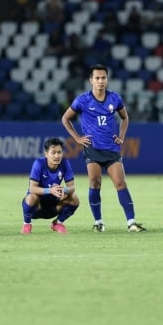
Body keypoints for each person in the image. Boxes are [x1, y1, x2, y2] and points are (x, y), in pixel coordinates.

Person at [61, 64, 146, 232]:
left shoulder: (115, 98)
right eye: (97, 78)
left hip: (112, 149)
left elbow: (125, 117)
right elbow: (65, 118)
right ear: (91, 80)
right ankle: (98, 222)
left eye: (103, 78)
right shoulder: (82, 100)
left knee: (120, 183)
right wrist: (77, 138)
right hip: (92, 148)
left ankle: (131, 222)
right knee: (94, 183)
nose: (100, 81)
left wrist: (121, 136)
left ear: (107, 80)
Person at [21, 137, 80, 234]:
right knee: (31, 197)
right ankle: (27, 224)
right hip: (37, 207)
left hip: (54, 205)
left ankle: (58, 223)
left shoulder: (65, 163)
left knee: (74, 198)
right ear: (46, 154)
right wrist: (50, 190)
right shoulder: (39, 164)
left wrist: (63, 190)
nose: (57, 156)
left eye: (59, 152)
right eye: (53, 152)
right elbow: (32, 188)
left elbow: (72, 188)